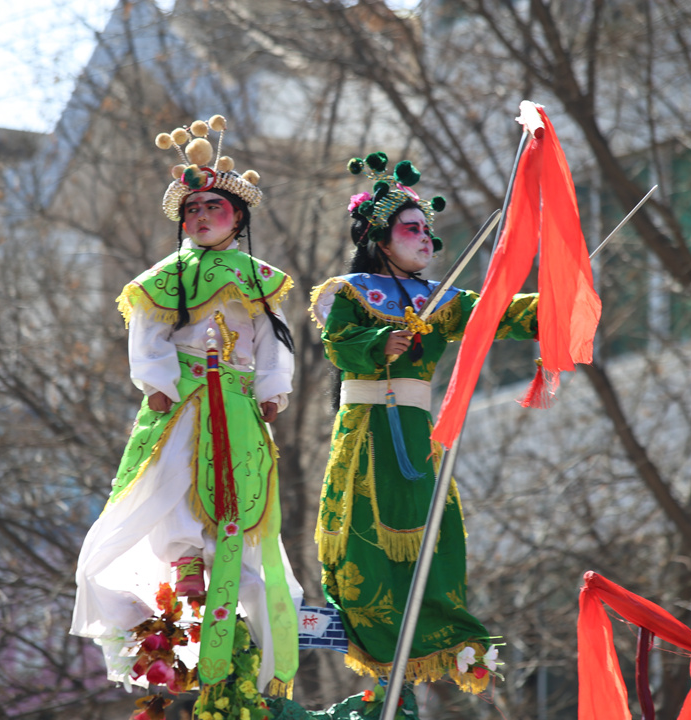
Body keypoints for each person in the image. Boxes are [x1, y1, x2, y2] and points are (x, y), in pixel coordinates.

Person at [71, 115, 301, 697]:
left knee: (236, 488)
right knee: (172, 478)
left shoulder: (258, 279)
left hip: (238, 403)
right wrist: (156, 380)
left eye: (212, 207)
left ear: (238, 217)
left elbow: (273, 340)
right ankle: (185, 560)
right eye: (191, 209)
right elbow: (146, 333)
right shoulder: (167, 277)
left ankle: (223, 571)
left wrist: (272, 389)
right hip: (185, 397)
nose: (200, 217)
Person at [309, 152, 538, 694]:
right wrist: (378, 342)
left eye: (427, 231)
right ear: (380, 239)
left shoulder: (443, 300)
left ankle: (441, 634)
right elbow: (338, 344)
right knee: (365, 533)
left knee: (433, 531)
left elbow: (496, 313)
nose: (425, 240)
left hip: (418, 432)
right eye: (411, 229)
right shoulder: (351, 291)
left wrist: (554, 303)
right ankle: (372, 636)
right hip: (366, 428)